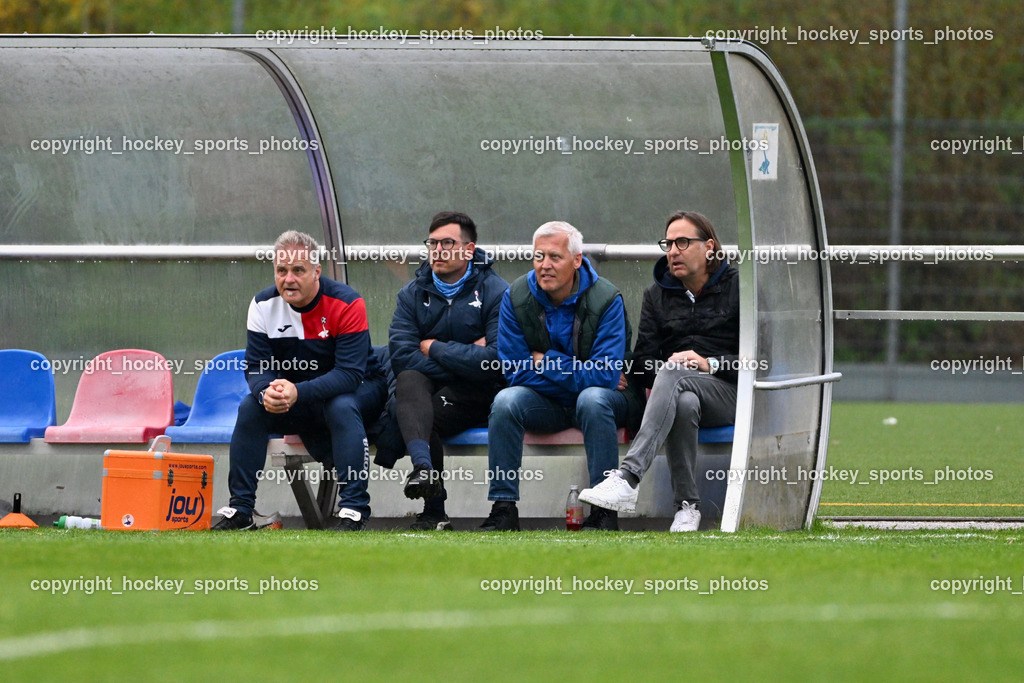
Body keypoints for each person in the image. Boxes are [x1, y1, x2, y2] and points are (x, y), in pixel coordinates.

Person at [213, 230, 387, 531]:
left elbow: (350, 374)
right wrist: (265, 391)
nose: (288, 279)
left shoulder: (348, 303)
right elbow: (256, 366)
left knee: (341, 406)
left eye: (298, 270)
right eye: (281, 271)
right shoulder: (262, 305)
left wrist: (297, 392)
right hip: (299, 395)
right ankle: (241, 509)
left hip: (359, 389)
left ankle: (354, 509)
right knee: (250, 407)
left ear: (317, 271)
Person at [580, 211, 739, 532]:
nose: (673, 251)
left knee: (674, 372)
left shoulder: (739, 287)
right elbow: (643, 363)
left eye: (683, 242)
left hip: (732, 392)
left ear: (709, 247)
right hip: (682, 395)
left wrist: (710, 363)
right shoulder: (656, 295)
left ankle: (628, 476)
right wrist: (670, 372)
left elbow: (761, 357)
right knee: (683, 401)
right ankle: (687, 507)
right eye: (668, 244)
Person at [479, 221, 642, 532]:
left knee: (592, 399)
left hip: (608, 401)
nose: (545, 265)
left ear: (577, 260)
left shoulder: (607, 298)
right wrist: (579, 373)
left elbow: (605, 375)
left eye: (555, 257)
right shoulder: (515, 296)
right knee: (506, 401)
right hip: (548, 403)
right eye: (539, 256)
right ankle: (503, 508)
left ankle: (604, 511)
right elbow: (515, 372)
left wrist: (546, 362)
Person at [375, 211, 508, 530]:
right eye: (432, 243)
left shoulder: (496, 291)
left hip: (479, 394)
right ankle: (424, 472)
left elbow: (494, 360)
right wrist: (465, 357)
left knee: (419, 410)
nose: (437, 250)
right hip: (428, 391)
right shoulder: (411, 294)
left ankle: (434, 510)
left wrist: (434, 347)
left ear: (469, 249)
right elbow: (402, 357)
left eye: (447, 243)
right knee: (410, 381)